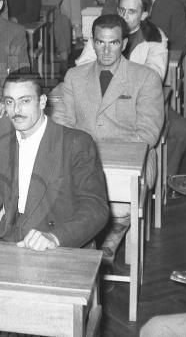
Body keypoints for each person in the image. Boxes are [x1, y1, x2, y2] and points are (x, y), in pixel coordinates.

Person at [0, 73, 108, 248]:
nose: (16, 110)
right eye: (10, 102)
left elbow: (95, 208)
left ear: (42, 102)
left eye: (25, 101)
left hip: (59, 243)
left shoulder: (76, 142)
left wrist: (55, 238)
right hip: (10, 236)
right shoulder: (4, 141)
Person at [51, 14, 164, 263]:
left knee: (118, 206)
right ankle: (80, 256)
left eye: (113, 43)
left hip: (132, 163)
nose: (106, 50)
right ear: (92, 42)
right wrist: (82, 155)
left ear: (124, 44)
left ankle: (106, 245)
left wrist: (102, 155)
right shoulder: (74, 76)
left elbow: (148, 134)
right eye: (100, 42)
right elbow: (61, 123)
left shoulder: (146, 78)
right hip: (81, 161)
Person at [77, 0, 186, 177]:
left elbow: (154, 77)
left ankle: (161, 179)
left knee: (181, 130)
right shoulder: (104, 31)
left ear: (144, 14)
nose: (124, 16)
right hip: (100, 100)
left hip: (140, 103)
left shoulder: (155, 38)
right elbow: (82, 67)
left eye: (131, 12)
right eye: (121, 10)